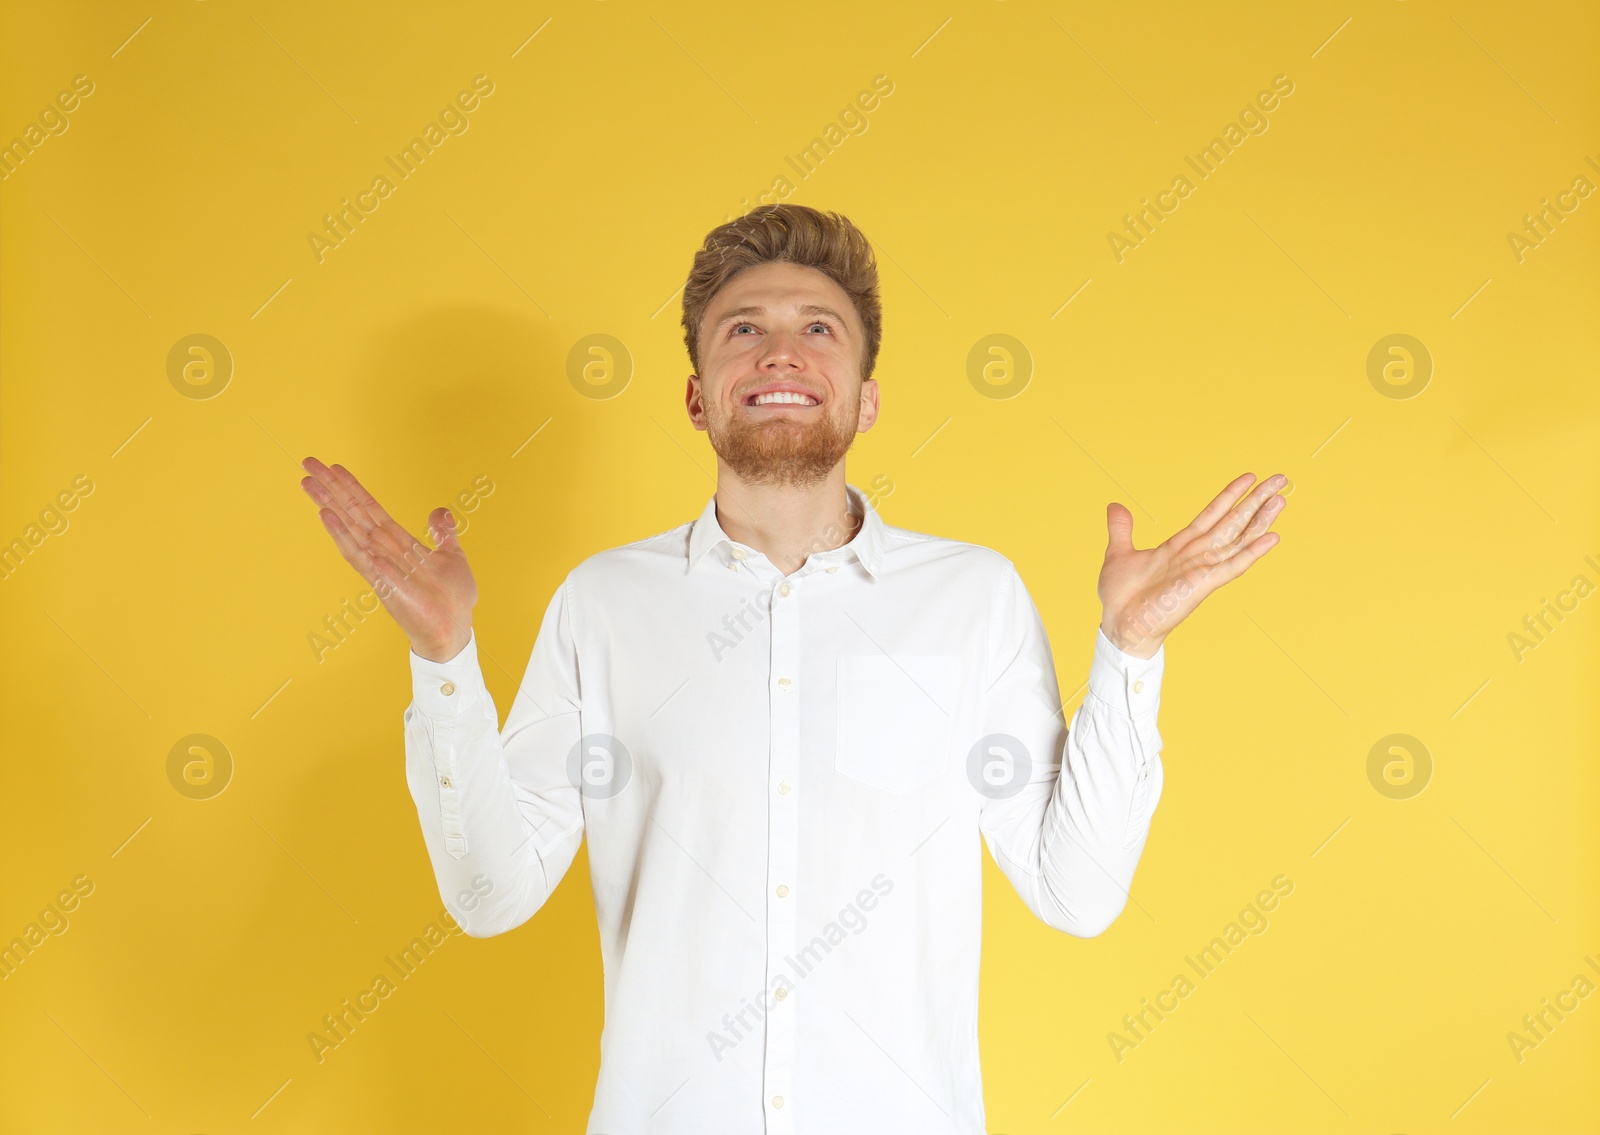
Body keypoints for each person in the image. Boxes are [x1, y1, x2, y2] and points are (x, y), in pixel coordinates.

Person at [300, 203, 1286, 1133]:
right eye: (741, 330)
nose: (779, 350)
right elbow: (490, 896)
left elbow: (1076, 893)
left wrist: (1129, 651)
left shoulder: (972, 598)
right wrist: (443, 658)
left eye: (819, 328)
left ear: (865, 398)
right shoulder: (603, 605)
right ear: (696, 396)